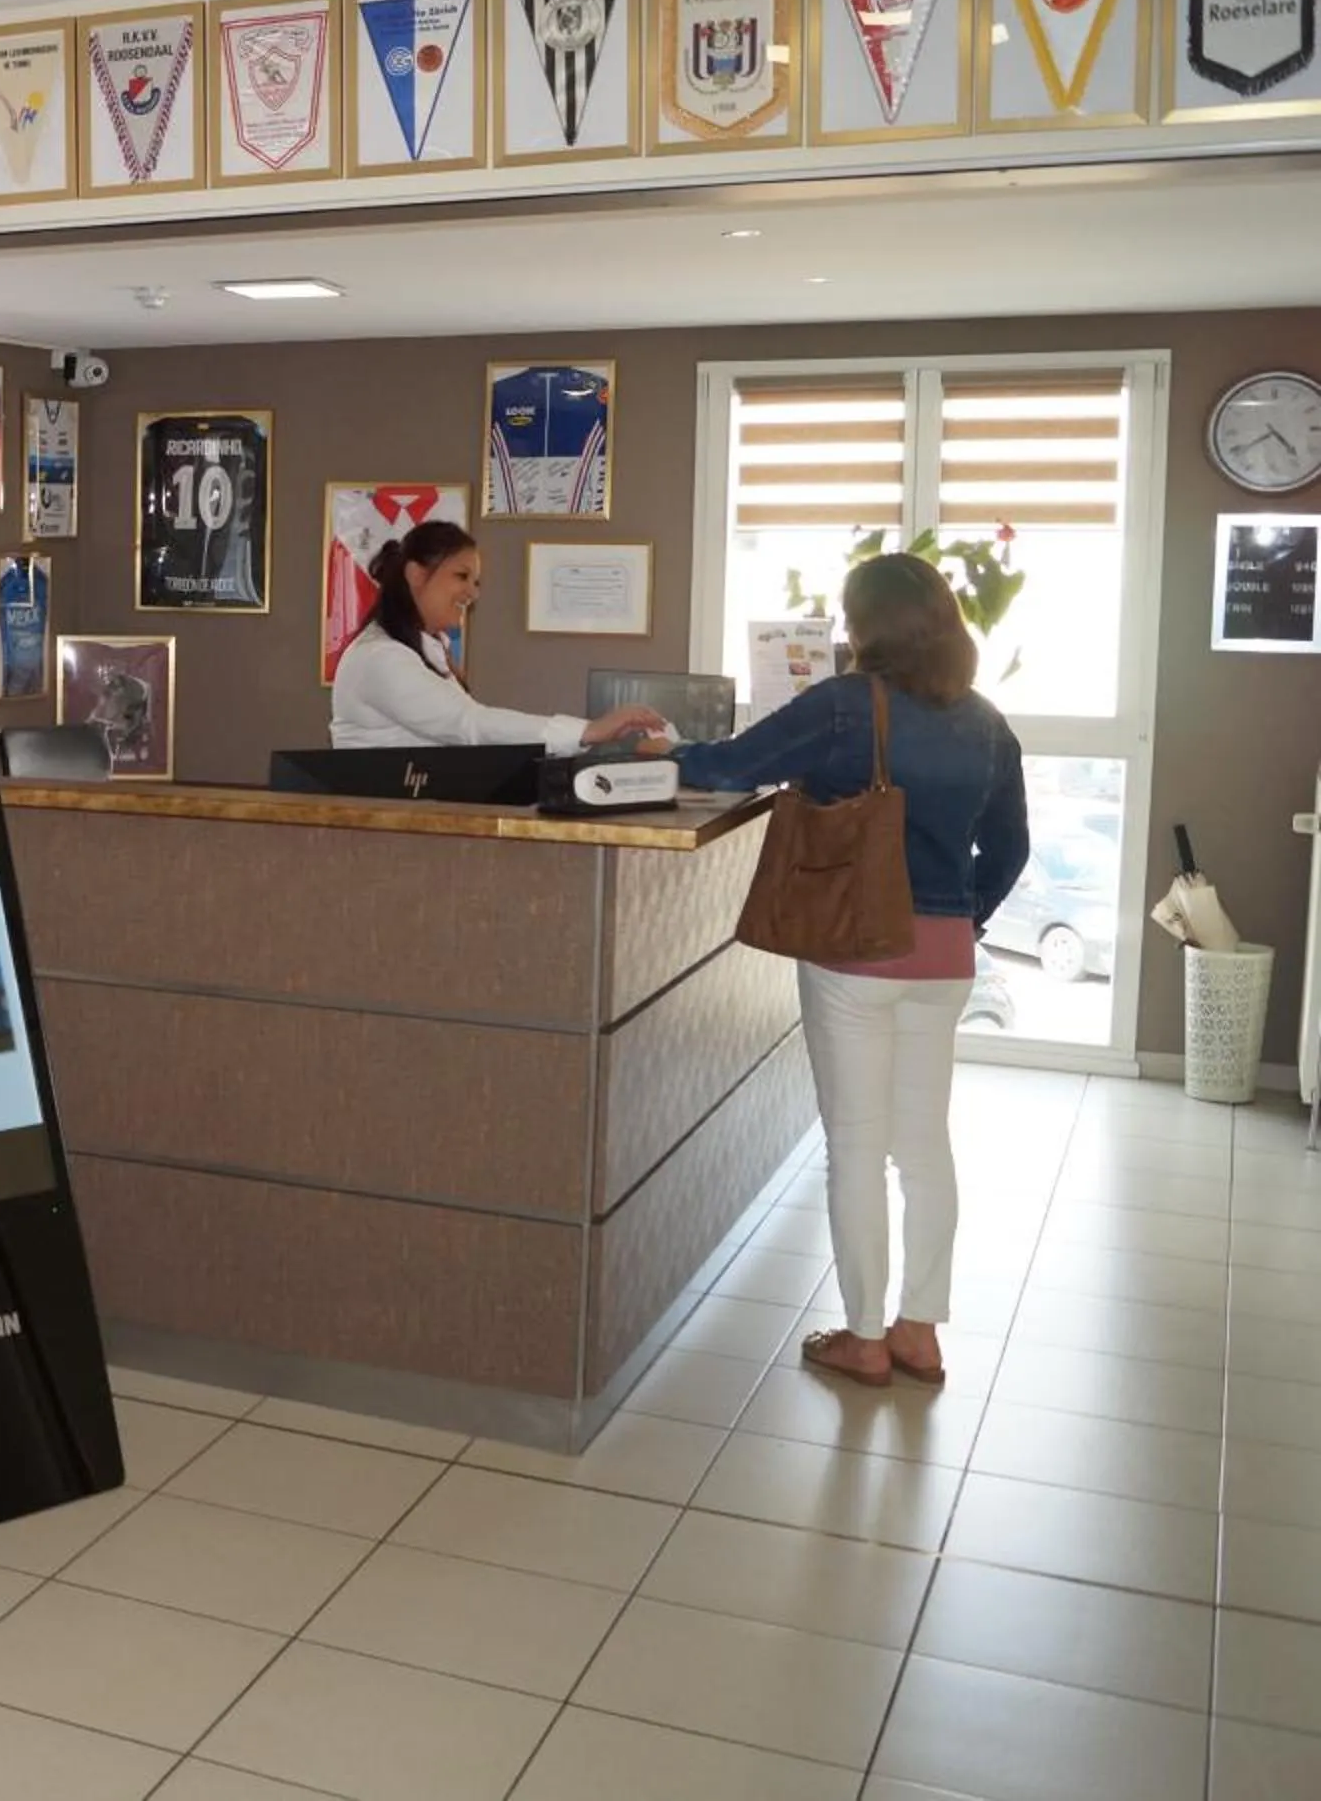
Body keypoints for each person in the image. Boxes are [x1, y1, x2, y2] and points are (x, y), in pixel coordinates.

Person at [666, 554, 1029, 1388]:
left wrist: (664, 746)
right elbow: (1010, 847)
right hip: (945, 961)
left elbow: (725, 767)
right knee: (924, 1145)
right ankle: (921, 1331)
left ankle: (863, 1338)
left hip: (856, 955)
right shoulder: (986, 721)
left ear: (865, 627)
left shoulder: (845, 706)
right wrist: (961, 919)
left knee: (857, 1146)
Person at [330, 520, 668, 751]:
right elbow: (468, 725)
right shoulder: (380, 659)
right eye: (461, 576)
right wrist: (588, 731)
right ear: (416, 574)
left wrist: (598, 739)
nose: (472, 593)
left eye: (476, 582)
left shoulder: (427, 651)